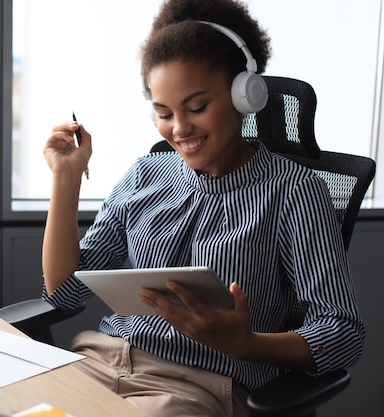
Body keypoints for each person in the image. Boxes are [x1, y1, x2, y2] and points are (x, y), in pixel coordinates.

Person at [40, 0, 365, 416]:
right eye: (163, 113)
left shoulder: (293, 191)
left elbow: (342, 333)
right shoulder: (144, 174)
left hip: (198, 387)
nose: (179, 129)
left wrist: (245, 344)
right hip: (98, 362)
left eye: (196, 108)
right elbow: (64, 293)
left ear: (243, 96)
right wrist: (65, 179)